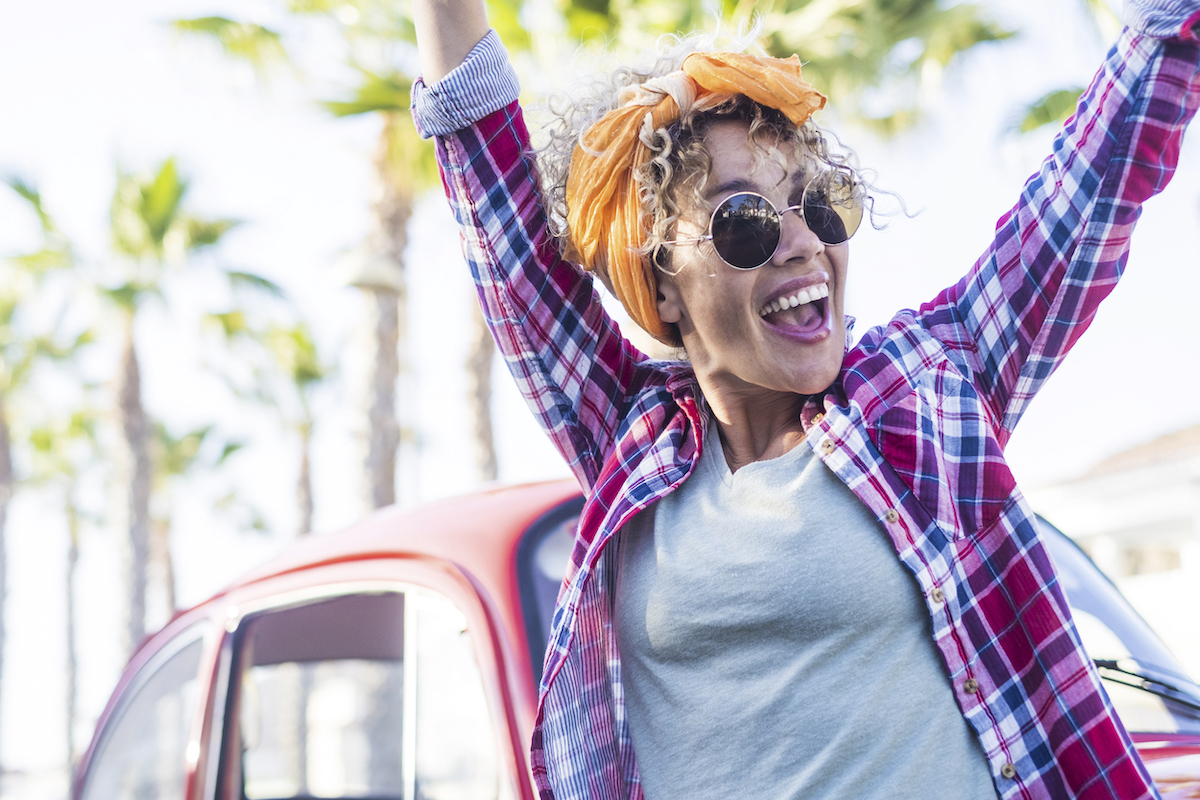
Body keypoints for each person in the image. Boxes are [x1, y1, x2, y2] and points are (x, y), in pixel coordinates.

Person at [410, 0, 1200, 796]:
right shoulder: (624, 437)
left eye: (819, 204)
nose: (803, 243)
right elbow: (496, 203)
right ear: (661, 283)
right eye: (745, 220)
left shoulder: (923, 394)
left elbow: (1088, 191)